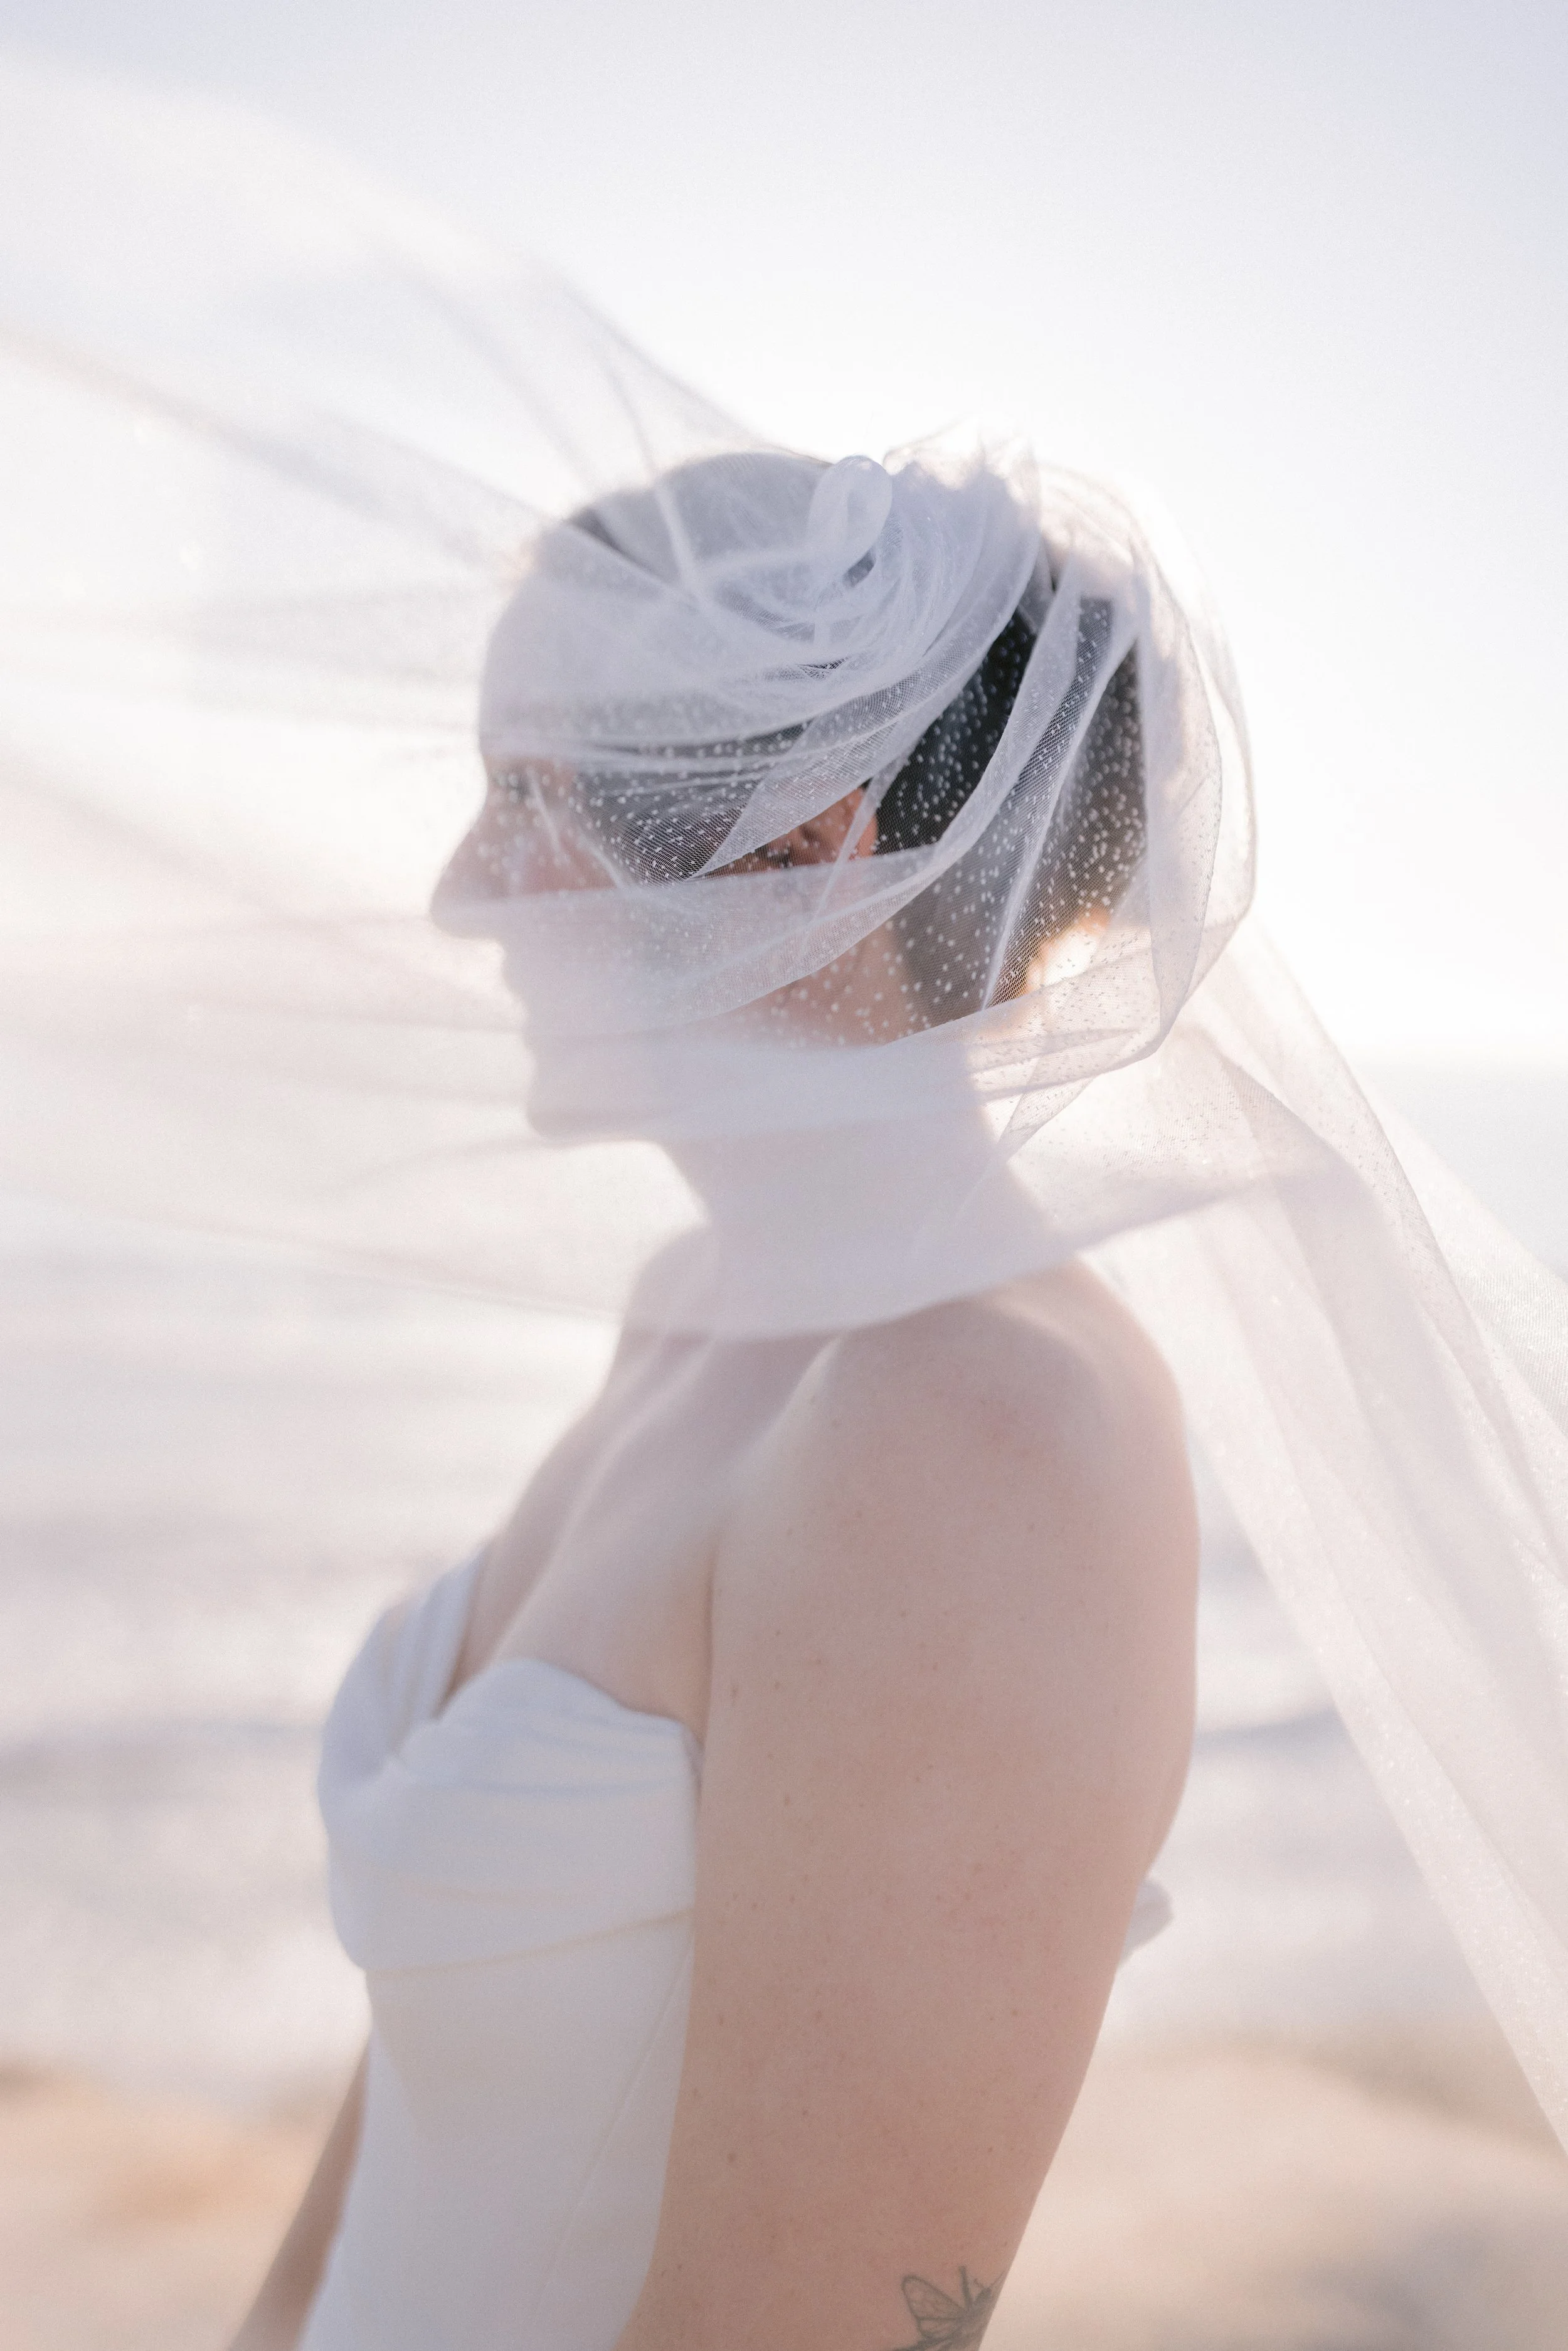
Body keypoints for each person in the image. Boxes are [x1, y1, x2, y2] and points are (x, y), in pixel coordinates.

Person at [229, 485, 1202, 2349]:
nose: (454, 890)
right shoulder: (683, 1311)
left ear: (807, 850)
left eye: (530, 801)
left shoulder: (979, 1435)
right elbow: (416, 2099)